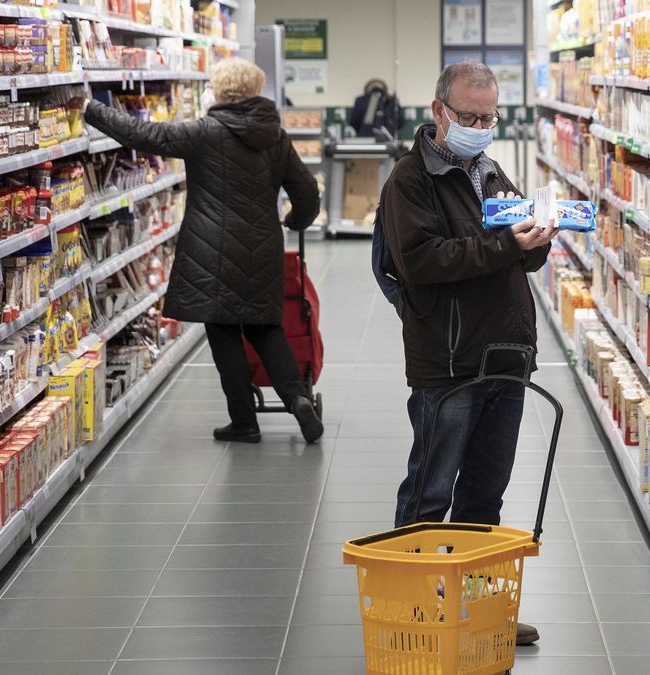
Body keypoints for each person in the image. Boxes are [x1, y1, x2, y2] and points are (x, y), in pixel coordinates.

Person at [379, 61, 555, 645]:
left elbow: (516, 257)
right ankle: (412, 609)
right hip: (448, 362)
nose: (481, 126)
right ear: (439, 112)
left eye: (489, 117)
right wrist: (504, 243)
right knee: (431, 490)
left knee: (485, 493)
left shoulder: (492, 172)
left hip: (505, 356)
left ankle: (475, 609)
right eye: (470, 116)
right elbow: (423, 262)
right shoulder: (410, 180)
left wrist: (535, 240)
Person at [82, 57, 324, 444]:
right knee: (266, 327)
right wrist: (297, 220)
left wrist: (91, 108)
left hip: (212, 253)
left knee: (225, 332)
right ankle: (297, 399)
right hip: (262, 249)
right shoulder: (275, 137)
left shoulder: (204, 132)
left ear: (221, 91)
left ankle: (245, 422)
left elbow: (144, 134)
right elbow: (307, 191)